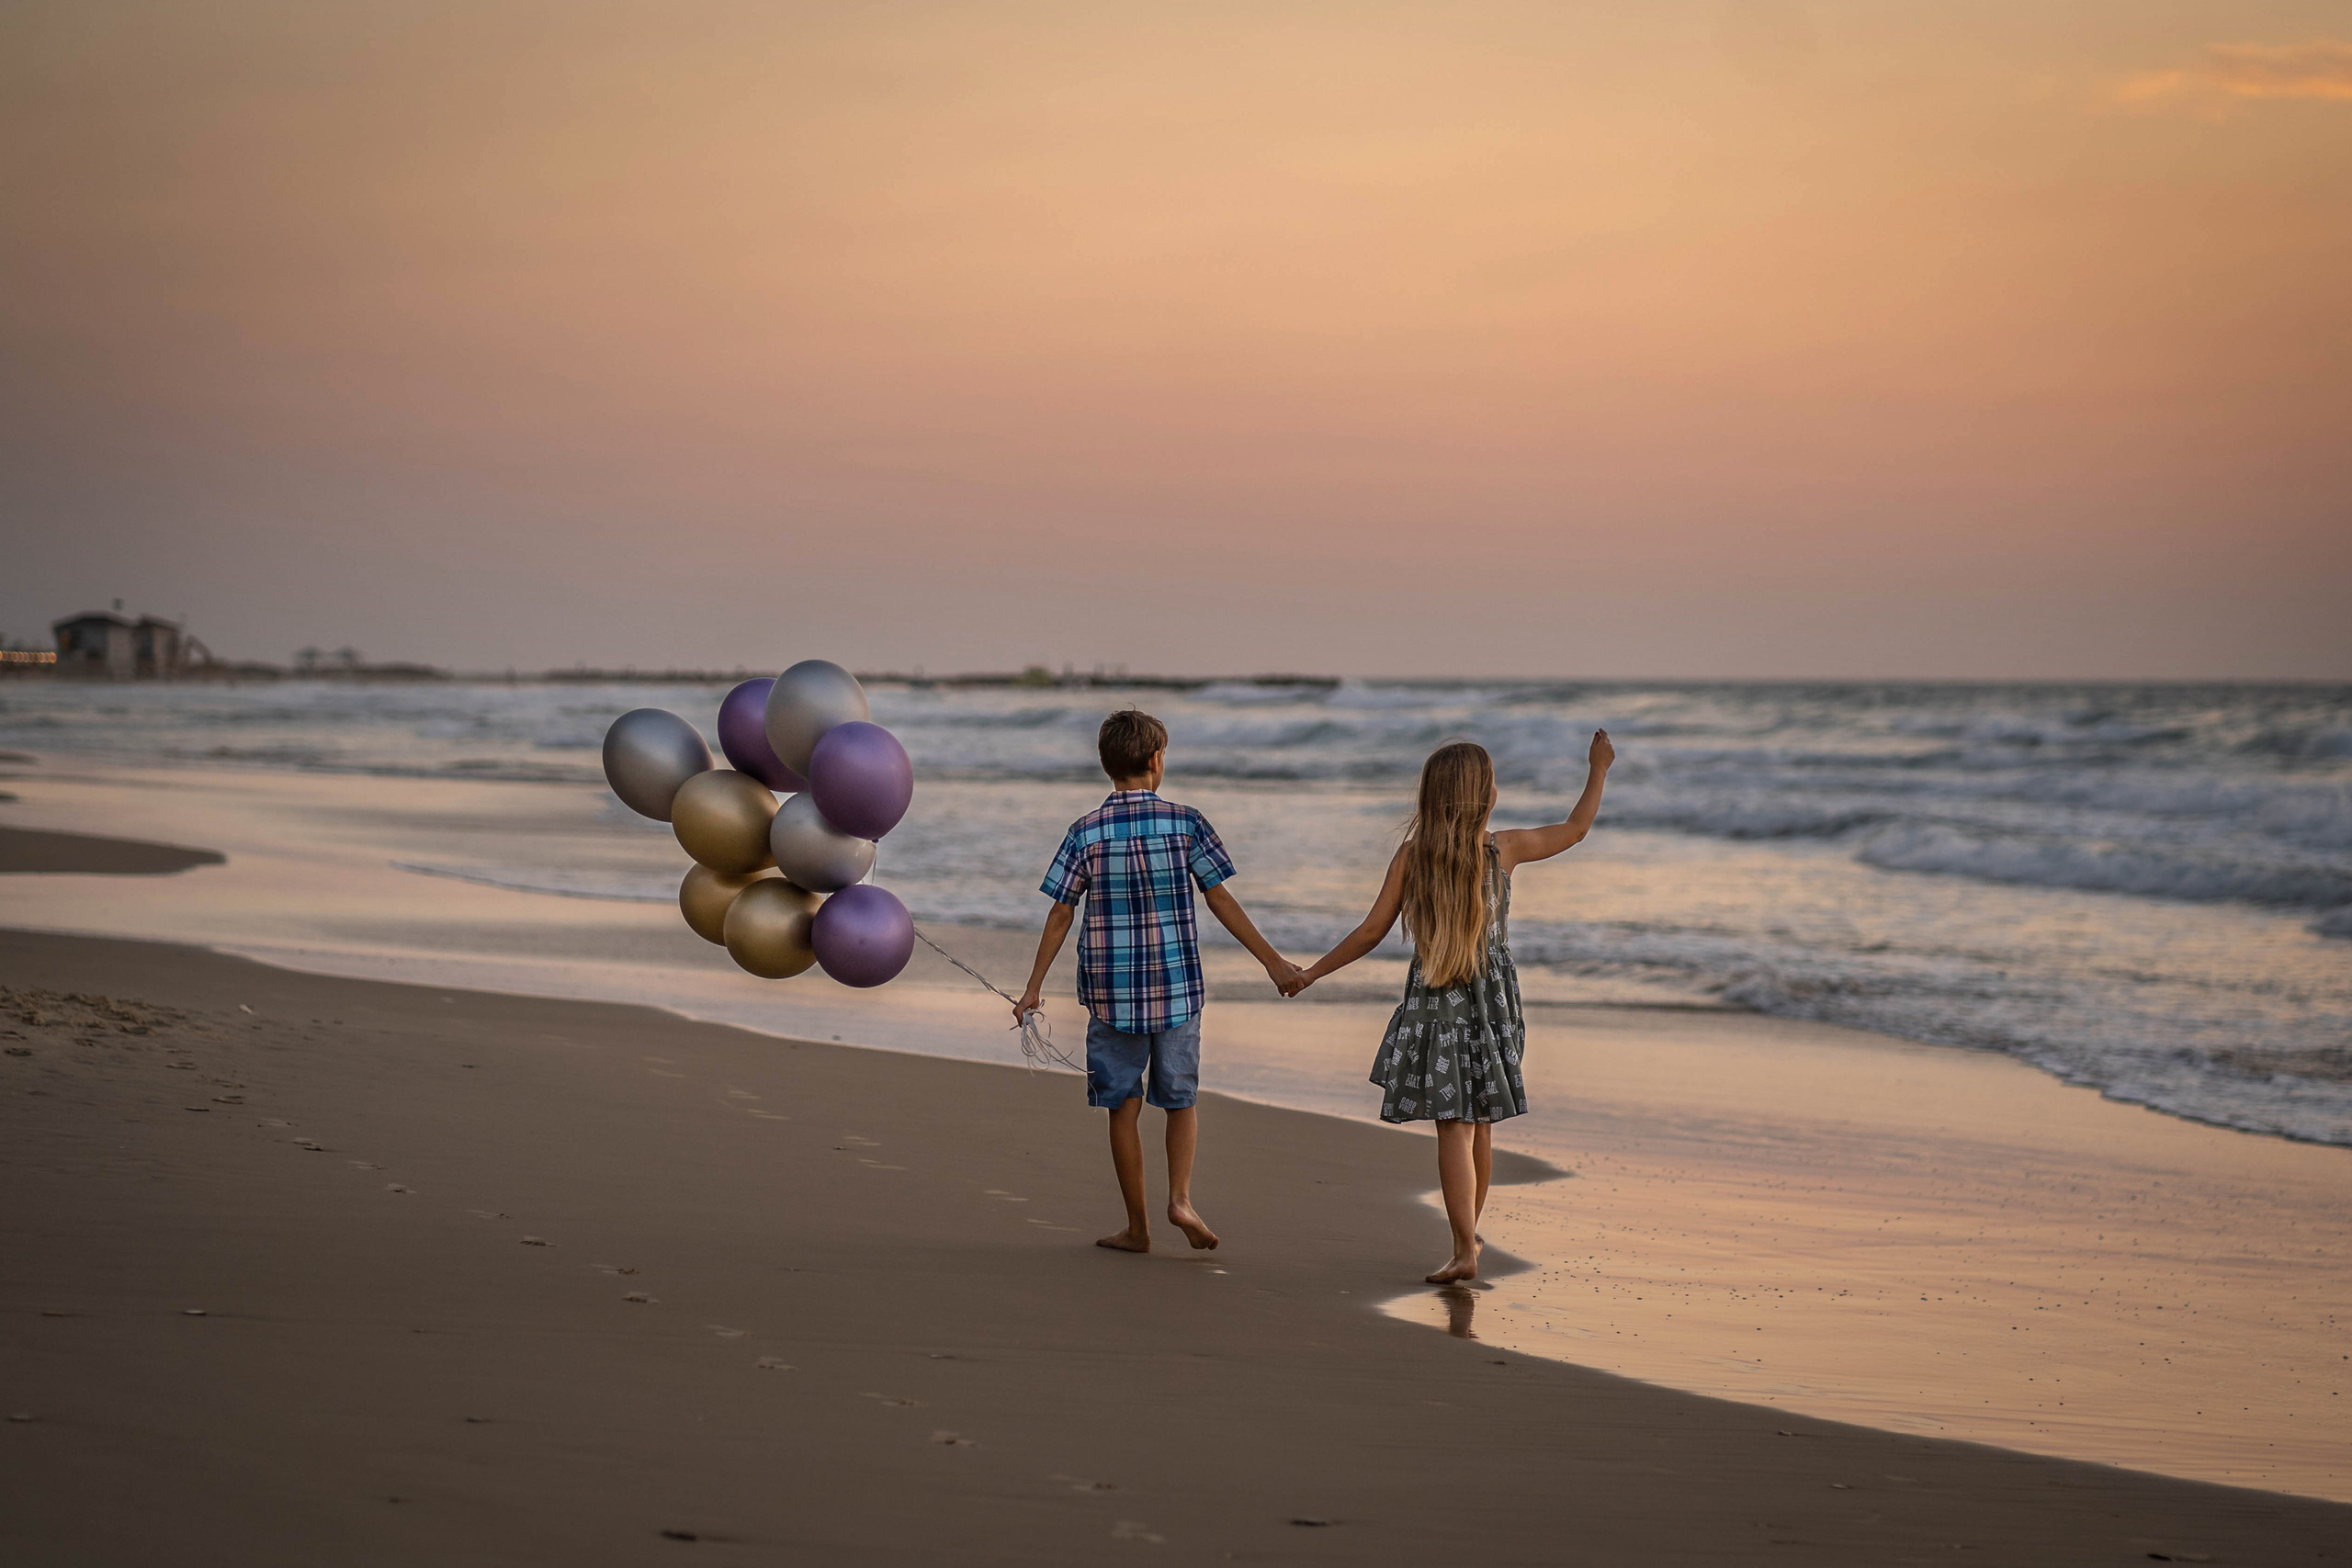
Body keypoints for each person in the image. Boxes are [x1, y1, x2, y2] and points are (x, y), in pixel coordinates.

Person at [1288, 728, 1614, 1282]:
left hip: (1438, 1002)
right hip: (1493, 1002)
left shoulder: (1413, 856)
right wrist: (1599, 768)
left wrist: (1311, 972)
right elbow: (1577, 829)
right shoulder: (1503, 849)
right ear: (1485, 795)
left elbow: (1371, 931)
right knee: (1477, 1122)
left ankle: (1466, 1244)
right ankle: (1467, 1241)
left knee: (1457, 1126)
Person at [1015, 708, 1303, 1254]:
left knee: (1122, 1104)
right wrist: (1273, 962)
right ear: (1155, 761)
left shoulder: (1086, 831)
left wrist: (1033, 988)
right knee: (1180, 1100)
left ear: (1107, 767)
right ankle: (1181, 1198)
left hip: (1111, 992)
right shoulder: (1187, 822)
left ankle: (1138, 1227)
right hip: (1176, 989)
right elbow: (1220, 898)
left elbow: (1060, 914)